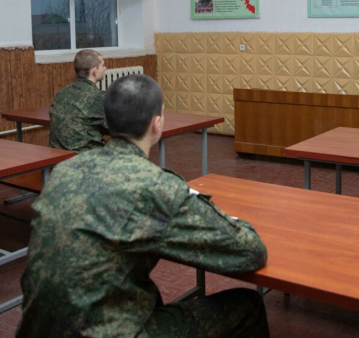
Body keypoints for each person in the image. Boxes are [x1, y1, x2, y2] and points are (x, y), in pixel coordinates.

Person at [17, 75, 270, 338]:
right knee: (248, 305)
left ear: (107, 120)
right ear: (157, 124)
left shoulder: (65, 170)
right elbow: (251, 251)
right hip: (99, 331)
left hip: (37, 330)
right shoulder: (155, 185)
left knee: (147, 291)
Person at [48, 49, 108, 152]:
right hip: (84, 156)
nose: (105, 68)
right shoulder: (98, 97)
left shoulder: (61, 92)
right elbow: (118, 127)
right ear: (94, 70)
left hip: (57, 154)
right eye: (102, 65)